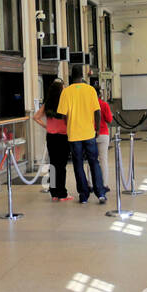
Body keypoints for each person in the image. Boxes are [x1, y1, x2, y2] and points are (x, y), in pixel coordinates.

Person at [56, 65, 107, 204]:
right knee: (94, 162)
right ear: (83, 76)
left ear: (71, 76)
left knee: (78, 164)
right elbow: (97, 111)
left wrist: (69, 123)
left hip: (74, 134)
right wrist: (96, 128)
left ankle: (84, 195)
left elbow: (62, 115)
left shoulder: (66, 92)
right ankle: (100, 193)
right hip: (89, 133)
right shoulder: (90, 90)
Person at [33, 78, 70, 201]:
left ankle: (54, 193)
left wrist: (46, 126)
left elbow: (36, 117)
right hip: (63, 137)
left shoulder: (47, 104)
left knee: (53, 164)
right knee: (62, 165)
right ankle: (62, 193)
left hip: (51, 137)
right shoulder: (64, 103)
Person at [92, 80, 114, 195]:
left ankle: (91, 184)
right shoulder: (104, 104)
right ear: (100, 94)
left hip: (90, 134)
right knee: (103, 160)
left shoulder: (88, 104)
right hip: (103, 134)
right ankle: (104, 184)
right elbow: (109, 119)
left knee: (91, 160)